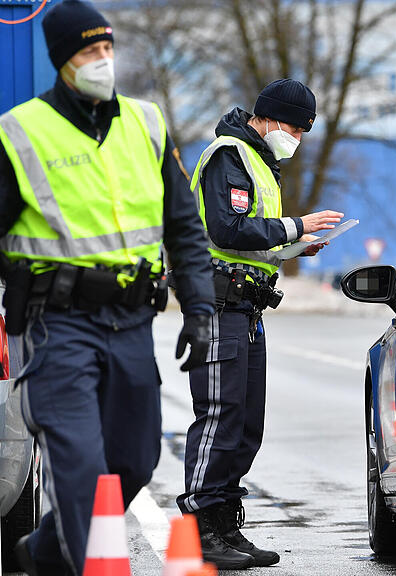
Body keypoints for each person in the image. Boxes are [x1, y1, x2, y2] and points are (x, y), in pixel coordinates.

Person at [0, 1, 215, 574]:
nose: (103, 61)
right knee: (80, 468)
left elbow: (184, 226)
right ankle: (89, 563)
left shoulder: (146, 123)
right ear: (63, 62)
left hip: (130, 322)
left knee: (135, 460)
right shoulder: (22, 133)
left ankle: (45, 552)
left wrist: (199, 307)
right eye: (89, 52)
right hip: (56, 327)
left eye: (107, 48)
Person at [177, 78, 342, 569]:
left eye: (304, 130)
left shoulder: (260, 163)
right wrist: (297, 225)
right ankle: (200, 526)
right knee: (219, 418)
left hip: (246, 308)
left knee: (247, 425)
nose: (296, 137)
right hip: (218, 305)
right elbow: (225, 228)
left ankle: (225, 524)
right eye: (293, 126)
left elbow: (250, 239)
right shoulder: (229, 154)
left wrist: (292, 248)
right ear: (266, 117)